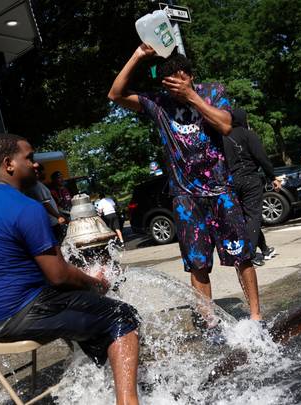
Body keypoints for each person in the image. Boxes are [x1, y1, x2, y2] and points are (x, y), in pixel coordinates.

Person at [0, 134, 140, 405]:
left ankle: (98, 387)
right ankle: (128, 401)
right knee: (122, 315)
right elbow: (59, 275)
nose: (35, 164)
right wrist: (96, 282)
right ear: (9, 164)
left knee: (87, 311)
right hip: (21, 314)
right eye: (29, 158)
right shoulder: (26, 208)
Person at [108, 44, 263, 330]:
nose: (177, 86)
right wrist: (138, 55)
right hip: (186, 197)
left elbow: (226, 125)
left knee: (241, 255)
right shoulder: (158, 104)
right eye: (171, 82)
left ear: (190, 76)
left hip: (222, 192)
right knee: (198, 264)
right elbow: (115, 94)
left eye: (182, 79)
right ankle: (210, 322)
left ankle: (256, 316)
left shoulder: (212, 92)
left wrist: (192, 97)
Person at [223, 108, 280, 266]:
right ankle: (251, 255)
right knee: (253, 216)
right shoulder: (248, 134)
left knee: (248, 217)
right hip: (249, 179)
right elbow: (261, 157)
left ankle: (265, 248)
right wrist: (272, 177)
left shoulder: (223, 137)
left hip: (232, 182)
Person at [26, 162, 68, 241]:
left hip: (53, 222)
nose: (45, 173)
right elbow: (45, 204)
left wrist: (60, 215)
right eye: (43, 171)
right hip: (51, 224)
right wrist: (58, 216)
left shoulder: (39, 185)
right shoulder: (36, 185)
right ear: (39, 172)